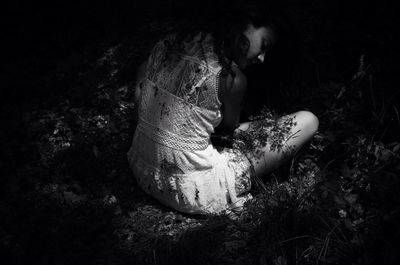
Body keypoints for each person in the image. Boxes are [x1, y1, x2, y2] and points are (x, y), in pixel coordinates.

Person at [127, 3, 319, 215]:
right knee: (308, 121)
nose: (262, 58)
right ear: (245, 24)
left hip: (142, 170)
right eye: (264, 45)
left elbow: (142, 76)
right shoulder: (231, 78)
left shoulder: (170, 44)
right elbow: (228, 129)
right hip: (191, 191)